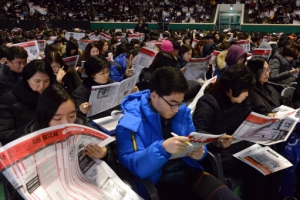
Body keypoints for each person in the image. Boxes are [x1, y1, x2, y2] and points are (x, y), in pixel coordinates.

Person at [116, 67, 240, 200]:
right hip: (159, 183)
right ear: (154, 96)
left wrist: (199, 152)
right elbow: (136, 167)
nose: (176, 110)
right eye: (172, 104)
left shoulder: (182, 112)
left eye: (180, 104)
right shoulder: (130, 123)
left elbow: (194, 139)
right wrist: (163, 148)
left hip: (190, 173)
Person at [193, 64, 282, 200]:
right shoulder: (208, 102)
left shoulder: (241, 100)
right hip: (222, 155)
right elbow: (198, 133)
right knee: (259, 172)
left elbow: (248, 116)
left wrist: (264, 120)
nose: (247, 95)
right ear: (230, 89)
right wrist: (217, 142)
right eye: (244, 91)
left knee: (276, 166)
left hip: (242, 149)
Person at [0, 60, 54, 200]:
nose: (41, 86)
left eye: (46, 81)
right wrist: (32, 130)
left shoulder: (53, 97)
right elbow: (5, 135)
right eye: (37, 81)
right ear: (26, 79)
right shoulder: (8, 99)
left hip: (50, 154)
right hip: (22, 159)